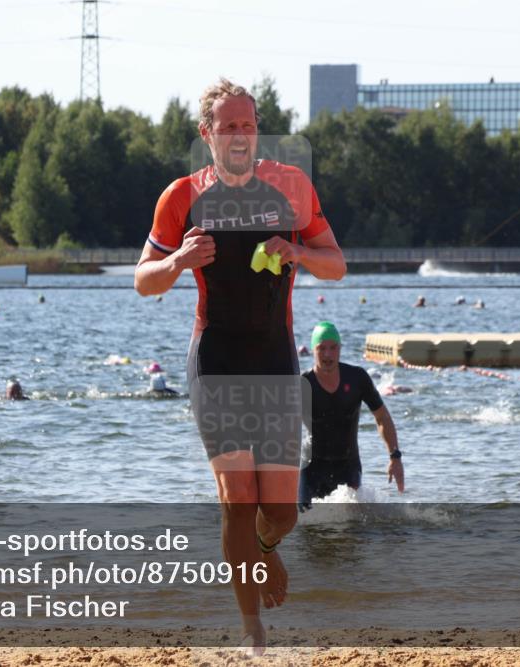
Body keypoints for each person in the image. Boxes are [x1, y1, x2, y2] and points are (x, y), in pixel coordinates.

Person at [133, 78, 346, 655]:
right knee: (236, 499)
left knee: (279, 513)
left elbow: (336, 265)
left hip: (276, 359)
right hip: (216, 360)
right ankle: (253, 631)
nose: (240, 135)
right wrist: (177, 259)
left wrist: (297, 250)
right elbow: (142, 280)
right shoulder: (181, 196)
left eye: (248, 124)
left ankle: (264, 548)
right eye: (228, 126)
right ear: (207, 134)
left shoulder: (291, 188)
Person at [299, 322, 404, 509]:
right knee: (304, 526)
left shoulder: (357, 378)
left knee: (352, 530)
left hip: (348, 467)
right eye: (321, 348)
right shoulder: (302, 384)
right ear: (313, 350)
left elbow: (382, 417)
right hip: (311, 470)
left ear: (340, 349)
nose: (328, 354)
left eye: (333, 348)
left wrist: (395, 457)